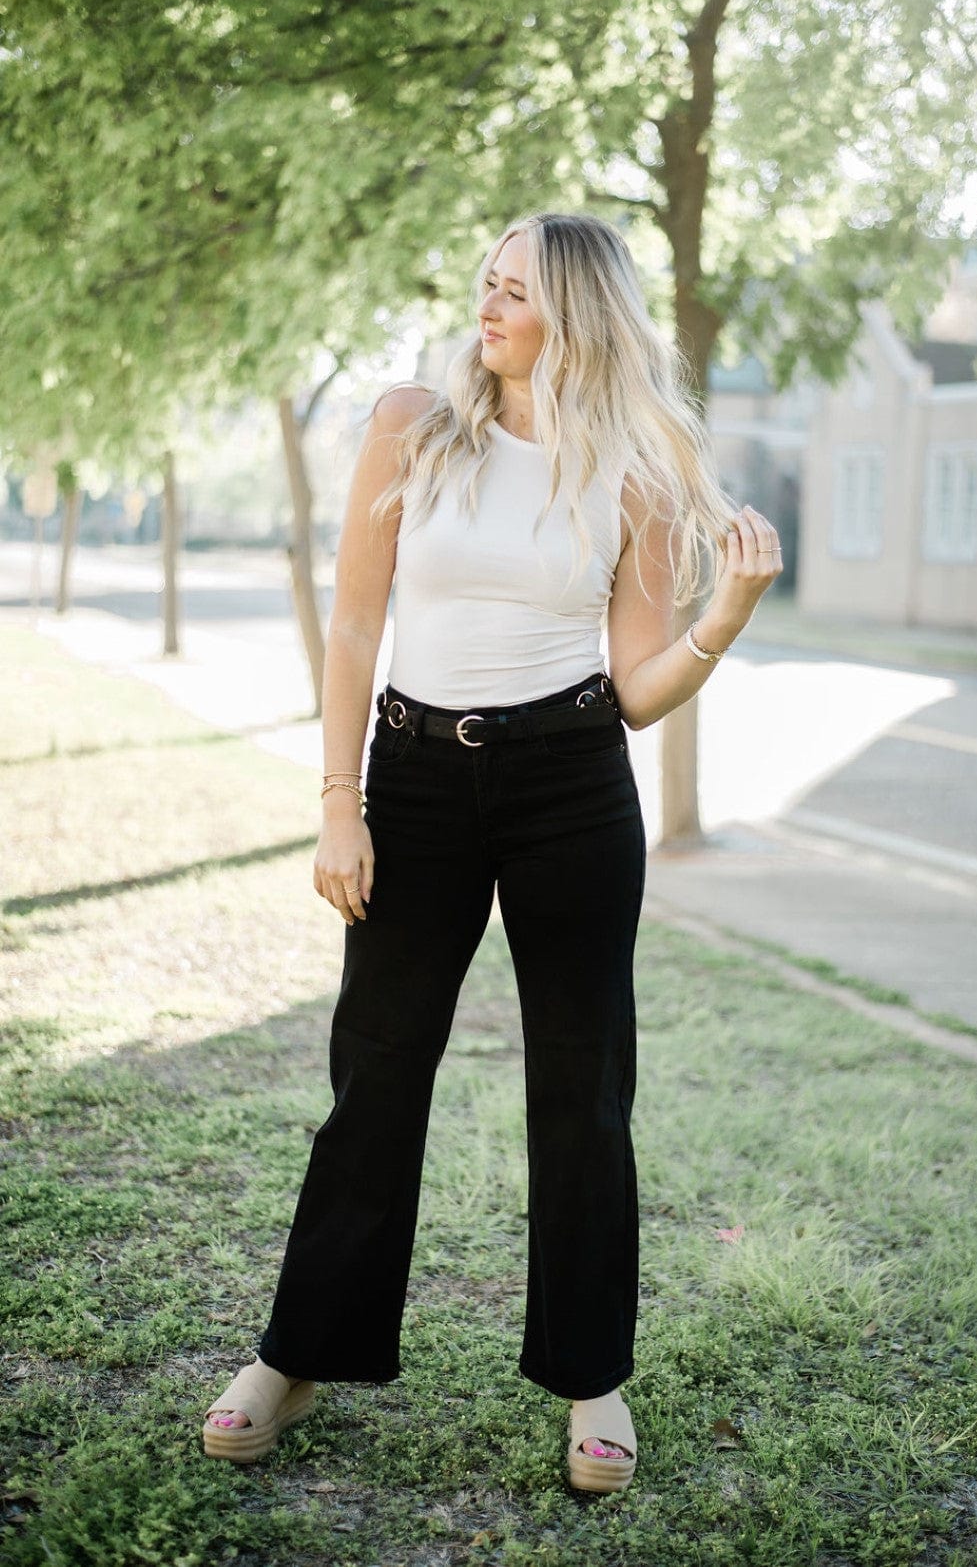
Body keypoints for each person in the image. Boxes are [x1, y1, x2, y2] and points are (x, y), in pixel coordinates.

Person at [201, 211, 781, 1491]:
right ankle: (296, 1354)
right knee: (378, 1065)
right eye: (487, 283)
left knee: (584, 1083)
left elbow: (633, 687)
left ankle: (592, 1375)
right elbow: (355, 629)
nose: (488, 306)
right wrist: (337, 799)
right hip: (410, 777)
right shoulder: (411, 423)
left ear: (574, 314)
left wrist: (723, 617)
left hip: (571, 778)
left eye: (514, 291)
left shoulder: (632, 469)